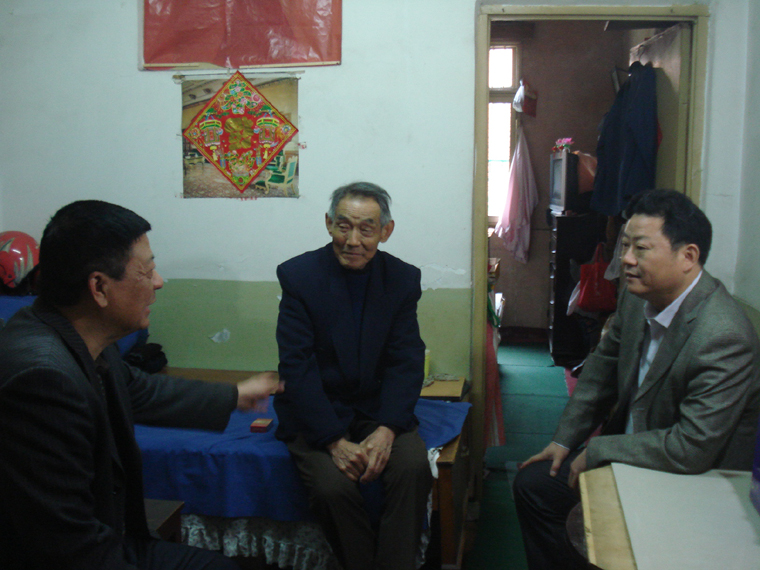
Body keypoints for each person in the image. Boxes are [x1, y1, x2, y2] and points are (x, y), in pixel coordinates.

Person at [0, 200, 282, 570]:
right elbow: (66, 545)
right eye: (146, 271)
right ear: (99, 287)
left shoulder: (78, 334)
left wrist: (236, 394)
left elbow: (138, 389)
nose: (158, 282)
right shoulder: (41, 380)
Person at [513, 189, 760, 569]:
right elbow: (601, 369)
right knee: (535, 485)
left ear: (688, 256)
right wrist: (564, 441)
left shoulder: (723, 336)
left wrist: (598, 450)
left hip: (693, 481)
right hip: (629, 459)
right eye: (625, 245)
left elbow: (691, 448)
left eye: (641, 248)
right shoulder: (636, 297)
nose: (626, 259)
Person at [274, 182, 432, 570]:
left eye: (366, 229)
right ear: (329, 224)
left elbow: (406, 360)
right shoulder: (299, 276)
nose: (353, 240)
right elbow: (297, 366)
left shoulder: (401, 279)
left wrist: (388, 429)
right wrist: (332, 440)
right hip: (318, 412)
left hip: (378, 410)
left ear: (385, 231)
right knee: (332, 488)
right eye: (344, 226)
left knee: (412, 467)